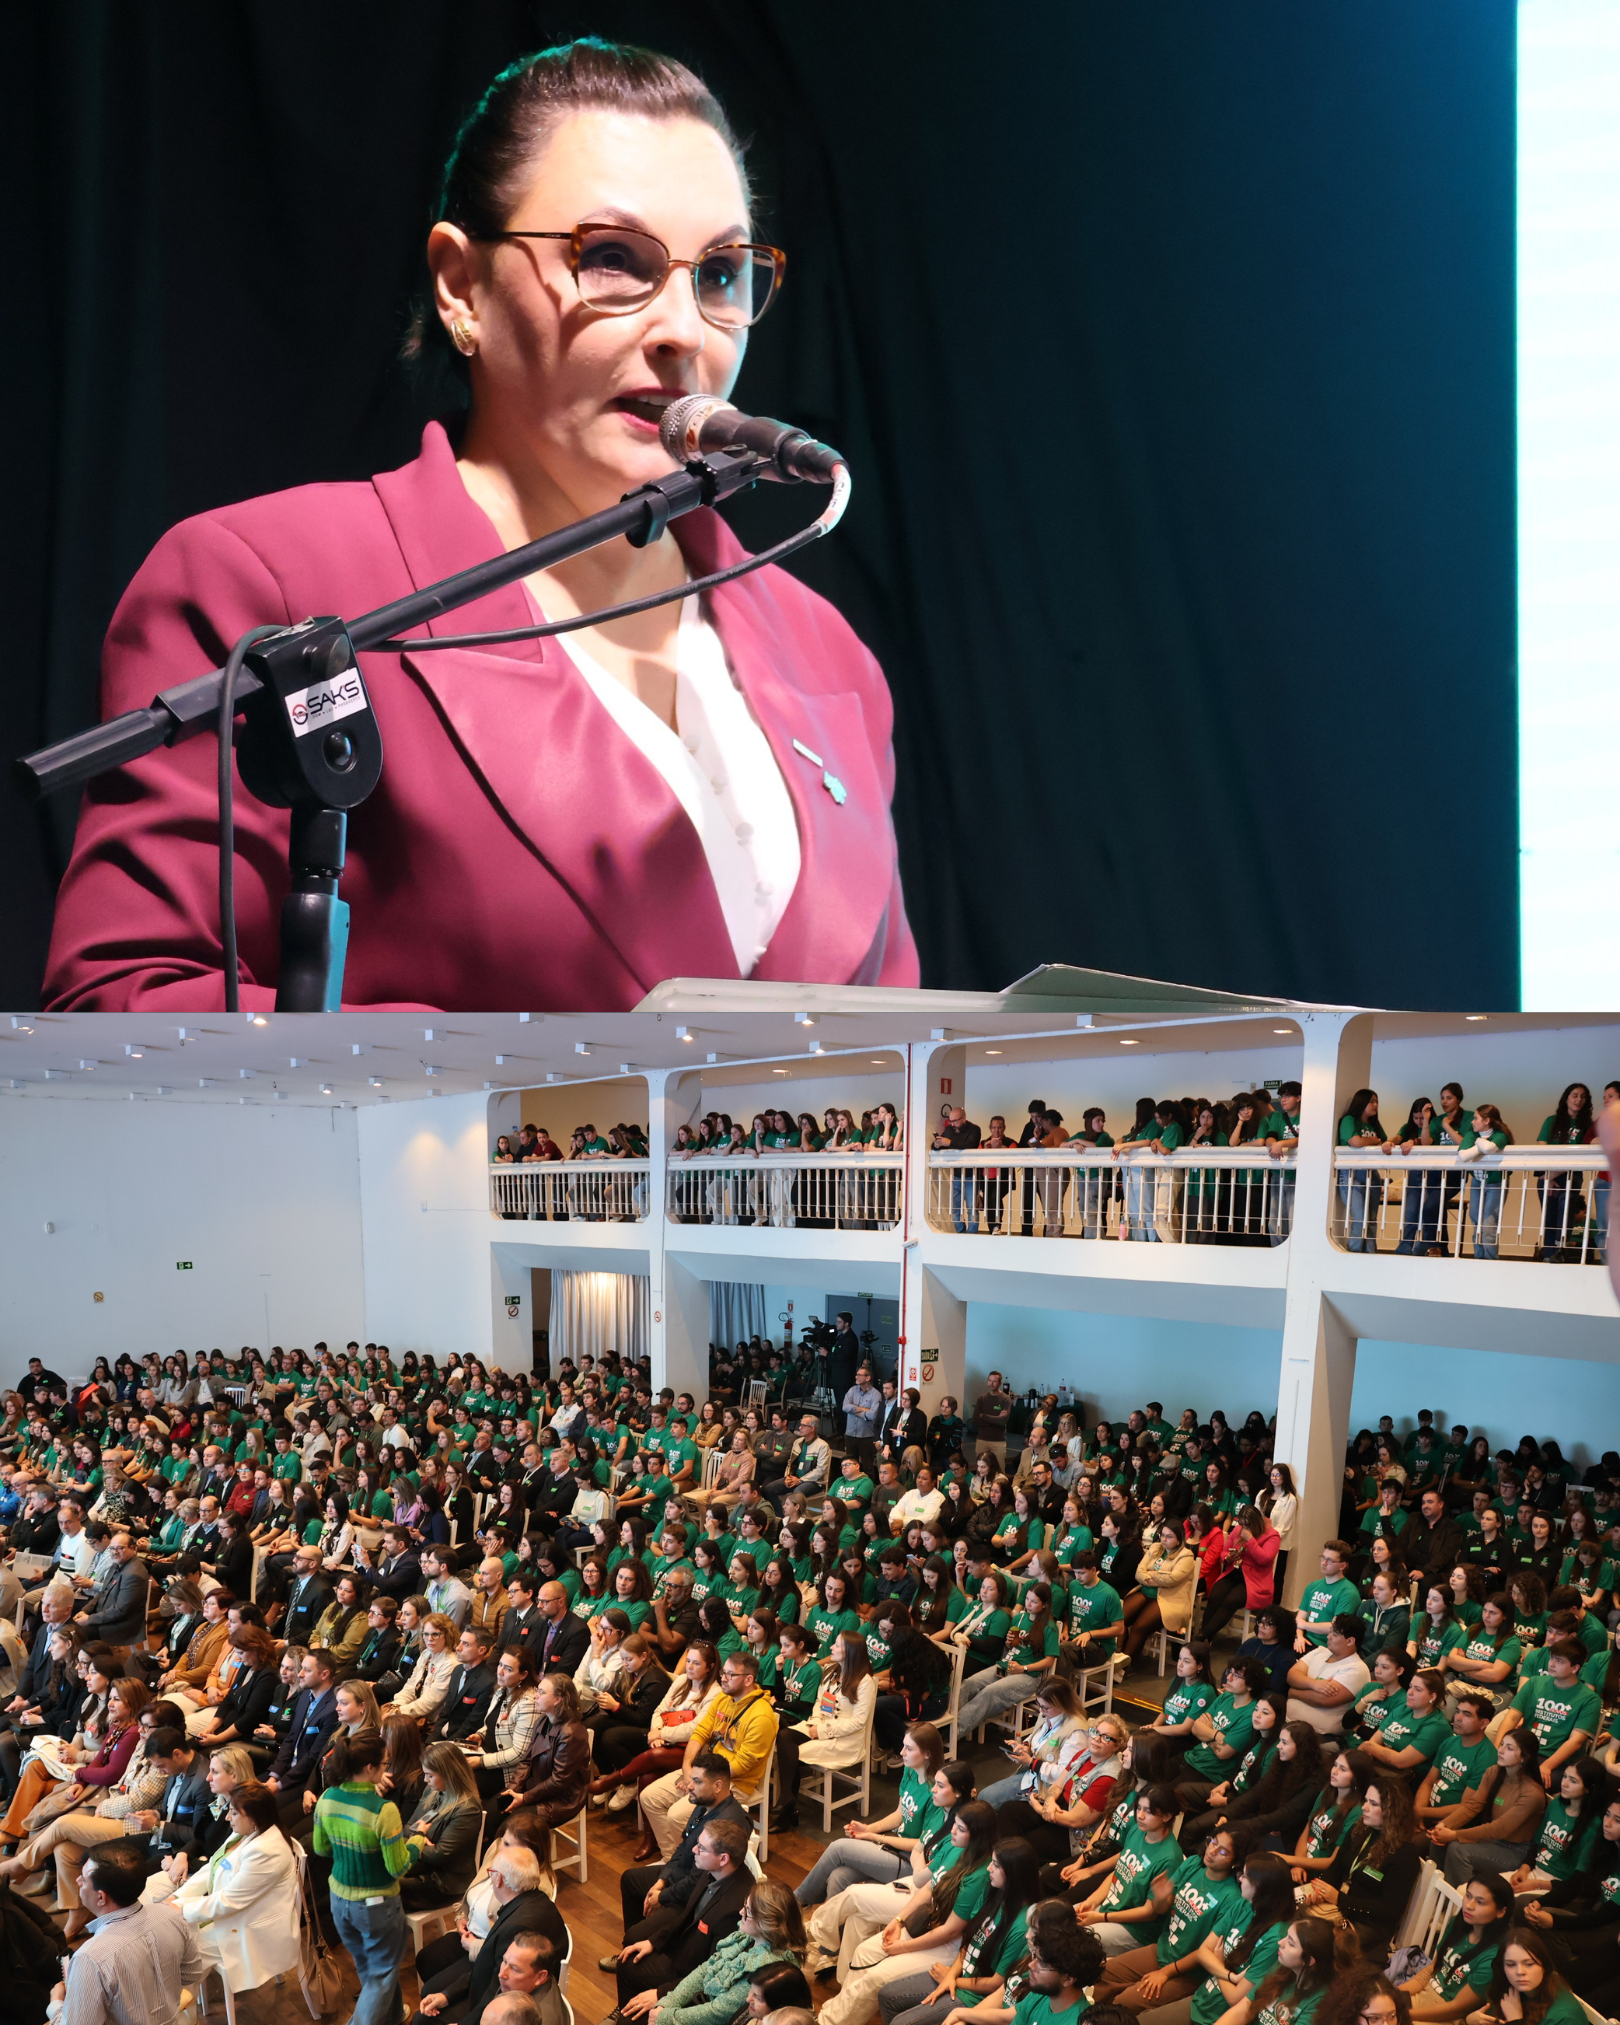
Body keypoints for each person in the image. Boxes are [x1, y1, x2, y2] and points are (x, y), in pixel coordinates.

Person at [41, 37, 916, 1012]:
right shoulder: (270, 583)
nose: (683, 332)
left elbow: (902, 1049)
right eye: (613, 260)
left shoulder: (831, 659)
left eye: (718, 276)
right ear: (461, 289)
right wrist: (492, 1079)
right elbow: (126, 1002)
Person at [311, 1729, 409, 2025]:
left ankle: (393, 2016)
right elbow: (398, 1868)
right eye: (385, 1763)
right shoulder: (384, 1810)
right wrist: (417, 1843)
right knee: (382, 1973)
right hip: (376, 1905)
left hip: (339, 1902)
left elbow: (321, 1848)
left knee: (370, 1967)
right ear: (369, 1768)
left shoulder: (327, 1797)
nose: (387, 1768)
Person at [172, 1779, 302, 1996]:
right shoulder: (246, 1831)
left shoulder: (267, 1850)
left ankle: (177, 2006)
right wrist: (177, 1898)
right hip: (236, 1910)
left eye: (233, 1813)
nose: (227, 1817)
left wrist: (182, 1910)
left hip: (253, 1927)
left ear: (253, 1817)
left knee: (181, 1956)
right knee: (175, 1936)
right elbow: (213, 1866)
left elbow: (230, 1901)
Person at [51, 1843, 204, 2025]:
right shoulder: (172, 1916)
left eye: (83, 1880)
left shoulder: (90, 1958)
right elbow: (192, 1973)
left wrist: (55, 2004)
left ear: (101, 1897)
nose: (77, 1881)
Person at [614, 1816, 754, 2007]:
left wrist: (662, 1993)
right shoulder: (712, 1871)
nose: (694, 1850)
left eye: (702, 1848)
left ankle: (630, 2013)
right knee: (630, 1955)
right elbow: (688, 1914)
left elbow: (713, 1972)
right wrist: (654, 1942)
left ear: (723, 1858)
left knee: (628, 1967)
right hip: (686, 1947)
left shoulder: (735, 1909)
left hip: (690, 1973)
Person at [634, 1879, 807, 2025]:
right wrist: (670, 2000)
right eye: (744, 1906)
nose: (741, 1912)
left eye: (748, 1912)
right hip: (701, 2004)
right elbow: (706, 1968)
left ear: (767, 1924)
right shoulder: (748, 1936)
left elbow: (718, 2013)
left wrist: (666, 2017)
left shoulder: (768, 1968)